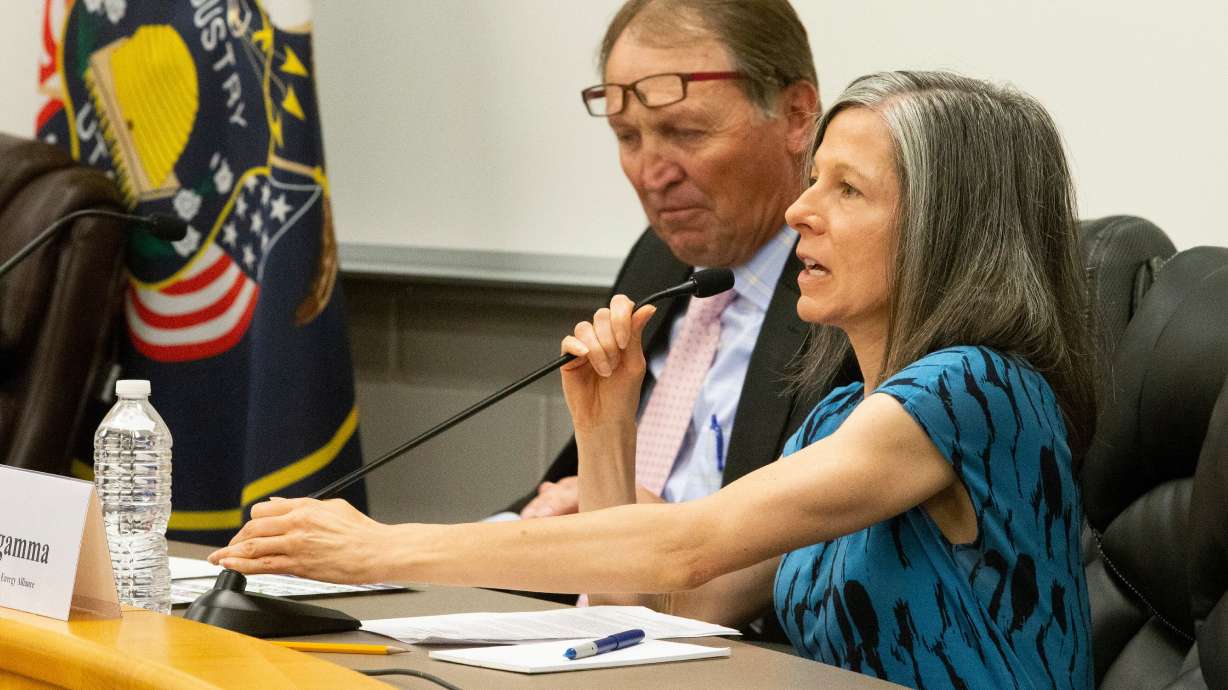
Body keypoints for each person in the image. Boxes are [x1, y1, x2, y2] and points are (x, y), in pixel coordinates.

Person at [211, 71, 1096, 688]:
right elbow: (666, 601)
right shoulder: (839, 417)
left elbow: (691, 542)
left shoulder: (974, 394)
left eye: (847, 191)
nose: (799, 212)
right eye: (811, 179)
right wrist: (607, 430)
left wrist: (379, 552)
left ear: (948, 229)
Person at [503, 0, 845, 527]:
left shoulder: (853, 294)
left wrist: (630, 523)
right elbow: (565, 497)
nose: (651, 175)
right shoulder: (658, 261)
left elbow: (790, 556)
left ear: (797, 115)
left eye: (685, 133)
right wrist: (403, 561)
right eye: (627, 137)